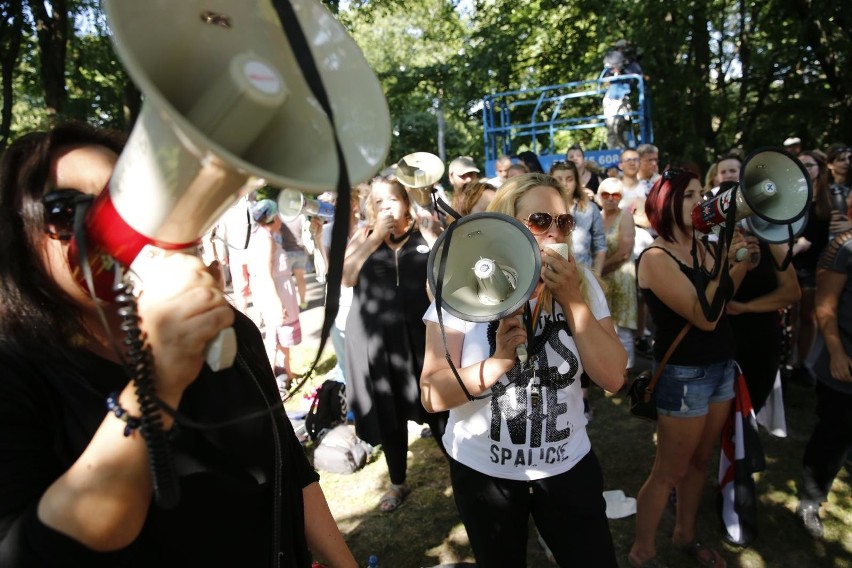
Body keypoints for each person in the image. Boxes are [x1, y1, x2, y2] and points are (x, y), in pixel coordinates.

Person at [0, 122, 356, 566]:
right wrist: (157, 378)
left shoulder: (230, 332)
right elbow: (31, 552)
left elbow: (292, 470)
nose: (103, 224)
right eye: (64, 210)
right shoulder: (16, 379)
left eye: (124, 200)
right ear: (19, 240)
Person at [420, 172, 626, 567]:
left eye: (563, 222)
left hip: (567, 465)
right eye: (540, 221)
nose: (554, 234)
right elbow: (431, 395)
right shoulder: (462, 285)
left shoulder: (581, 285)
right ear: (505, 225)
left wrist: (572, 300)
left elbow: (614, 377)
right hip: (485, 472)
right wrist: (497, 363)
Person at [628, 167, 757, 568]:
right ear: (665, 202)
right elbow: (706, 315)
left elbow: (723, 299)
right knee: (669, 470)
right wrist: (737, 266)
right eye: (689, 195)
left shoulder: (705, 248)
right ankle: (642, 552)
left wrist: (738, 258)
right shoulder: (655, 257)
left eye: (701, 194)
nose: (700, 201)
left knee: (701, 462)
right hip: (685, 376)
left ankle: (685, 534)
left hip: (719, 368)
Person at [342, 175, 447, 513]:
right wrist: (373, 238)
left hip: (423, 339)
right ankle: (397, 480)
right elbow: (346, 277)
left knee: (440, 406)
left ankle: (462, 466)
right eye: (378, 202)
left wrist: (430, 231)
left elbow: (447, 271)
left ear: (405, 201)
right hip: (380, 343)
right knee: (389, 412)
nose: (385, 206)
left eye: (392, 199)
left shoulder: (425, 231)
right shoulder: (364, 237)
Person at [795, 192, 852, 540]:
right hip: (842, 362)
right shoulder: (843, 248)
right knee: (834, 432)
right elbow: (825, 306)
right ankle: (810, 499)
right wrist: (836, 353)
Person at [247, 198, 303, 391]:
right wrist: (277, 302)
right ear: (274, 218)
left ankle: (287, 371)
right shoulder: (265, 239)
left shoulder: (262, 236)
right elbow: (264, 272)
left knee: (280, 338)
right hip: (275, 293)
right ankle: (269, 384)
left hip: (277, 291)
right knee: (273, 340)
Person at [789, 150, 833, 385]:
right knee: (791, 315)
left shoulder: (829, 197)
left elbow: (822, 235)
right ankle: (788, 361)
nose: (805, 169)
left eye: (809, 165)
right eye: (801, 165)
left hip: (816, 265)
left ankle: (801, 364)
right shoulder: (792, 196)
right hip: (791, 263)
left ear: (819, 168)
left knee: (807, 316)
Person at [598, 178, 638, 377]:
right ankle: (609, 370)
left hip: (621, 277)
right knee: (604, 327)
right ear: (599, 196)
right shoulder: (596, 217)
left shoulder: (626, 217)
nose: (610, 199)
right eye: (605, 194)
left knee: (623, 329)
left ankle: (626, 373)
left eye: (616, 195)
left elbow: (624, 252)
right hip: (601, 280)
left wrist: (599, 269)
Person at [601, 50, 635, 149]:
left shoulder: (626, 72)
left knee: (624, 125)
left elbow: (630, 82)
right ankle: (613, 149)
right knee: (611, 127)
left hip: (623, 101)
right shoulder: (608, 73)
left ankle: (625, 148)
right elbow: (604, 83)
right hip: (611, 101)